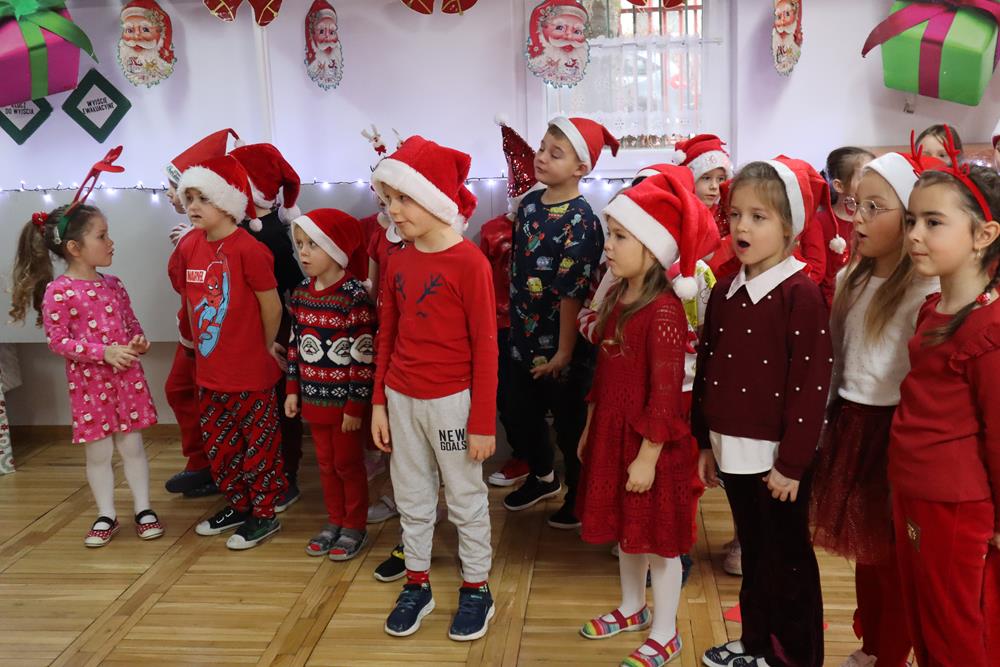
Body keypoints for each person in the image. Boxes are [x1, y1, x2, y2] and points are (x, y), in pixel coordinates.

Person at [695, 157, 833, 667]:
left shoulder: (800, 295)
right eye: (735, 215)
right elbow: (708, 367)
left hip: (777, 462)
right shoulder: (726, 288)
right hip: (732, 451)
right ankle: (757, 643)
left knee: (787, 561)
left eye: (759, 217)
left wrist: (792, 464)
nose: (742, 227)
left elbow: (811, 385)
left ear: (790, 227)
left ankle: (794, 656)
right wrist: (704, 443)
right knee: (755, 553)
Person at [576, 171, 713, 666]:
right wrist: (591, 425)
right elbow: (605, 373)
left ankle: (666, 631)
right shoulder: (617, 299)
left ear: (652, 250)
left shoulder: (665, 312)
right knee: (626, 531)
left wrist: (648, 457)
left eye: (619, 237)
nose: (608, 246)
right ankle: (633, 607)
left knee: (659, 542)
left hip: (649, 445)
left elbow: (666, 394)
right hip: (615, 434)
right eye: (609, 234)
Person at [811, 150, 940, 667]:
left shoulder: (926, 292)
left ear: (908, 219)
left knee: (895, 562)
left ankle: (890, 654)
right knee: (865, 552)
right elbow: (836, 358)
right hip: (851, 426)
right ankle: (870, 647)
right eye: (855, 205)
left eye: (874, 207)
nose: (857, 218)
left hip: (894, 435)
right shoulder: (852, 279)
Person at [369, 136, 498, 641]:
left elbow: (486, 349)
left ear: (433, 198)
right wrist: (379, 403)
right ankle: (417, 584)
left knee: (465, 497)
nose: (393, 211)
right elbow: (387, 334)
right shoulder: (398, 260)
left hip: (452, 406)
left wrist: (481, 421)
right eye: (388, 201)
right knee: (412, 494)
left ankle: (477, 588)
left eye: (403, 198)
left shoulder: (471, 264)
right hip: (401, 401)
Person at [9, 152, 163, 548]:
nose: (111, 242)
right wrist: (103, 353)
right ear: (75, 247)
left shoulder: (114, 285)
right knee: (98, 453)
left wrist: (138, 342)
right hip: (91, 387)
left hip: (126, 381)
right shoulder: (59, 292)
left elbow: (132, 326)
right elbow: (58, 341)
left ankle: (144, 509)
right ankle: (105, 514)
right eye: (102, 236)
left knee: (133, 446)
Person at [889, 132, 1000, 667]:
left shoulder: (990, 330)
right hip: (913, 489)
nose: (914, 234)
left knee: (957, 631)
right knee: (924, 619)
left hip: (955, 505)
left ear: (984, 235)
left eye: (934, 222)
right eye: (912, 219)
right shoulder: (930, 310)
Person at [503, 116, 616, 529]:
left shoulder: (582, 221)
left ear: (580, 168)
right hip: (522, 338)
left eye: (556, 153)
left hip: (563, 347)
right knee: (520, 413)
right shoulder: (530, 204)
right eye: (541, 148)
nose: (541, 158)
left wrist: (564, 352)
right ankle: (542, 476)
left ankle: (578, 496)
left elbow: (571, 293)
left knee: (570, 426)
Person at [170, 155, 287, 550]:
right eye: (189, 198)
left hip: (250, 375)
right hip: (210, 374)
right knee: (222, 449)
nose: (193, 206)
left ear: (227, 201)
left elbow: (272, 305)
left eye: (203, 198)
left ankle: (264, 514)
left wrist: (264, 347)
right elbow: (191, 302)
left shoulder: (248, 249)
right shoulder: (190, 246)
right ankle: (238, 505)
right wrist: (193, 346)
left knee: (259, 450)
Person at [286, 209, 375, 561]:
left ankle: (354, 524)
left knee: (347, 465)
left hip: (344, 408)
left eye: (313, 245)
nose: (303, 253)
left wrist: (355, 407)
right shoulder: (301, 294)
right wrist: (292, 390)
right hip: (314, 401)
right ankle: (334, 519)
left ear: (335, 249)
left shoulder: (352, 297)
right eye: (300, 245)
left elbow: (363, 358)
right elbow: (294, 346)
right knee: (325, 464)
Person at [162, 128, 240, 499]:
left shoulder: (216, 241)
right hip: (191, 333)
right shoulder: (191, 237)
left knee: (201, 398)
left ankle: (214, 466)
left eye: (175, 187)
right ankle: (203, 462)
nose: (171, 195)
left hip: (208, 337)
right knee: (182, 391)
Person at [228, 142, 306, 513]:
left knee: (279, 403)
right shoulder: (244, 229)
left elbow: (290, 284)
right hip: (252, 331)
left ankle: (286, 475)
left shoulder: (268, 233)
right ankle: (263, 471)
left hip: (274, 330)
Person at [485, 116, 545, 489]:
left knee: (545, 397)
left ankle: (549, 463)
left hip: (544, 325)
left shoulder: (550, 227)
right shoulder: (492, 231)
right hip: (503, 326)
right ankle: (522, 454)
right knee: (509, 398)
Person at [816, 146, 875, 307]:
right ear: (839, 186)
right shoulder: (821, 222)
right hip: (834, 305)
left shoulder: (877, 219)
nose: (872, 182)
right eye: (864, 176)